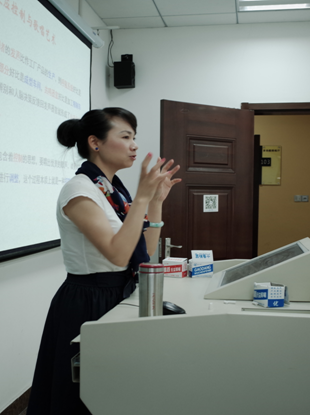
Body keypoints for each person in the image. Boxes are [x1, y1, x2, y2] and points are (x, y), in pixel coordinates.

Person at [26, 107, 181, 415]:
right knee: (83, 396)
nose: (134, 145)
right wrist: (142, 198)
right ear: (95, 142)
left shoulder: (112, 191)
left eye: (134, 137)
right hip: (89, 299)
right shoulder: (79, 190)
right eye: (125, 137)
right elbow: (117, 254)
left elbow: (145, 251)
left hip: (117, 293)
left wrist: (155, 202)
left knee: (114, 390)